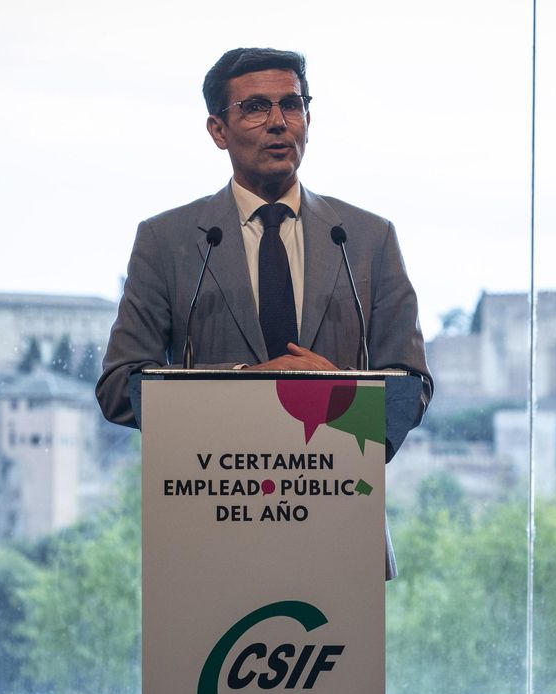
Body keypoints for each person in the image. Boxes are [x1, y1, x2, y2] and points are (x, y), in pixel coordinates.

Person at [96, 47, 432, 454]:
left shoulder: (367, 238)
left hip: (340, 499)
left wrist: (336, 389)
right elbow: (119, 388)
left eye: (291, 105)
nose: (278, 122)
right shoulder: (167, 241)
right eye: (255, 107)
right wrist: (250, 380)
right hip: (214, 500)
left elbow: (411, 387)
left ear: (308, 120)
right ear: (218, 130)